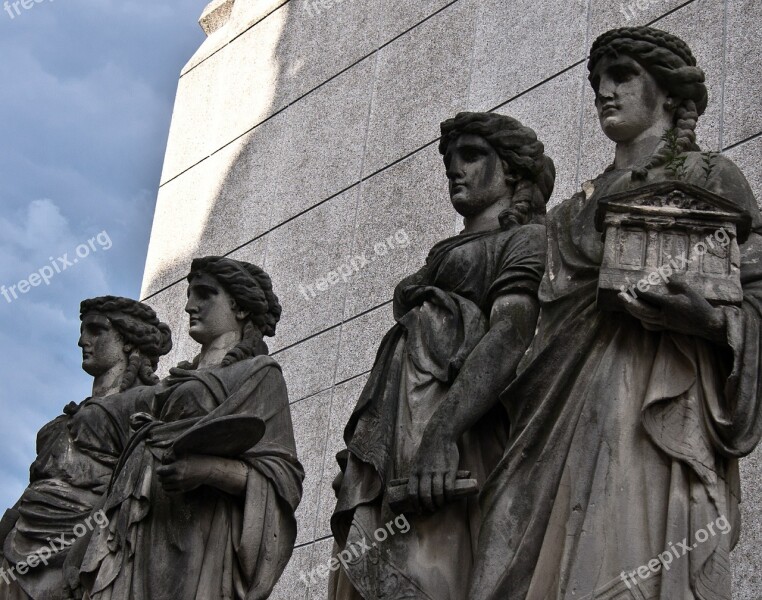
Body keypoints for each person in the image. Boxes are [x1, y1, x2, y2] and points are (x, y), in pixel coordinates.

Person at [468, 26, 762, 600]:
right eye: (597, 80)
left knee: (629, 551)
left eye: (622, 76)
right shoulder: (567, 210)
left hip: (659, 392)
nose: (604, 90)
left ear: (669, 94)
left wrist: (713, 323)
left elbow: (756, 291)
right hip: (555, 409)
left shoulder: (710, 179)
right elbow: (524, 332)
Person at [329, 112, 555, 600]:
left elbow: (510, 335)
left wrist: (441, 433)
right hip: (399, 441)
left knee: (433, 569)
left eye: (472, 156)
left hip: (460, 441)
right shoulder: (441, 256)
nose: (455, 169)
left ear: (513, 171)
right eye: (449, 159)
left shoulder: (524, 240)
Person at [79, 257, 304, 600]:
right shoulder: (170, 383)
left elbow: (283, 477)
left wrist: (207, 470)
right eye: (189, 294)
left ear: (240, 308)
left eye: (204, 294)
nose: (189, 306)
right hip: (142, 527)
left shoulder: (259, 375)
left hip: (203, 533)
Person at [0, 296, 172, 600]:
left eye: (95, 330)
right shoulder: (67, 417)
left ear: (128, 341)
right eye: (83, 331)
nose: (82, 341)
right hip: (20, 537)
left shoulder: (147, 401)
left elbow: (145, 474)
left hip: (80, 539)